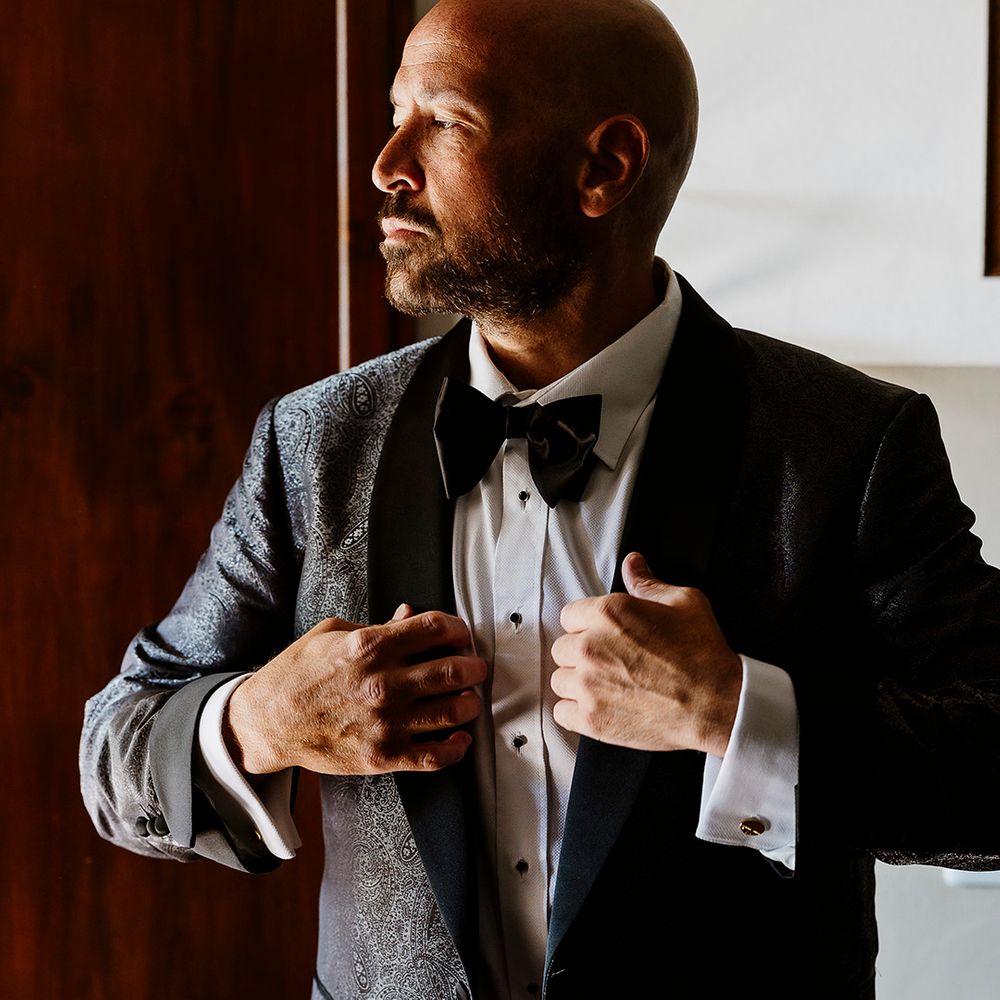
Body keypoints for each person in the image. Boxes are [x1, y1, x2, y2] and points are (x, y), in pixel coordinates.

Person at [80, 1, 1000, 997]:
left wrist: (740, 712)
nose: (389, 160)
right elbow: (116, 745)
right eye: (395, 113)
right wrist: (258, 721)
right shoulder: (314, 443)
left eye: (445, 121)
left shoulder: (847, 444)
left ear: (603, 167)